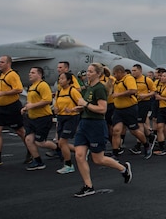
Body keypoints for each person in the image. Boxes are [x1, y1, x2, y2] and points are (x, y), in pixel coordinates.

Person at [73, 63, 132, 198]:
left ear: (98, 74)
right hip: (84, 124)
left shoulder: (100, 89)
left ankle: (123, 169)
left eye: (91, 72)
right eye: (87, 71)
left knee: (98, 159)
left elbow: (102, 109)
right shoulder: (88, 88)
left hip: (96, 125)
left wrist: (85, 104)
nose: (88, 74)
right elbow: (88, 105)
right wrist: (79, 108)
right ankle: (88, 186)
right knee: (79, 155)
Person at [0, 55, 27, 167]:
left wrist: (1, 94)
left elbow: (19, 89)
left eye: (2, 62)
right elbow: (1, 91)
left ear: (8, 64)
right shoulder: (2, 76)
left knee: (20, 132)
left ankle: (31, 152)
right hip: (0, 109)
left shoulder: (12, 75)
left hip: (12, 107)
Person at [111, 65, 153, 159]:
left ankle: (146, 145)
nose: (114, 75)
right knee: (116, 131)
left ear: (120, 72)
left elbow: (133, 90)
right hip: (118, 110)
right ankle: (115, 153)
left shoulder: (128, 78)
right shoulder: (115, 81)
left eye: (115, 74)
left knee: (134, 131)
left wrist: (118, 95)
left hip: (129, 108)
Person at [22, 67, 58, 170]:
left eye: (32, 73)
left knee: (40, 142)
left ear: (39, 75)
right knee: (28, 139)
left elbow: (47, 100)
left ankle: (58, 148)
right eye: (30, 72)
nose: (30, 74)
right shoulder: (31, 87)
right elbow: (30, 102)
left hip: (43, 118)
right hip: (31, 118)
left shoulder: (43, 85)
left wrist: (32, 106)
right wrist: (25, 108)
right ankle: (38, 161)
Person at [54, 71, 82, 174]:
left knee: (62, 141)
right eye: (59, 79)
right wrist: (56, 109)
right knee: (61, 143)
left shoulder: (73, 91)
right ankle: (81, 152)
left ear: (69, 80)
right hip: (61, 118)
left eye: (62, 79)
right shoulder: (59, 92)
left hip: (71, 118)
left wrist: (73, 109)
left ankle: (69, 165)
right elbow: (56, 105)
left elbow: (82, 105)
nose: (60, 81)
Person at [130, 64, 156, 153]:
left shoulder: (146, 80)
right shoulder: (131, 80)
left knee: (139, 123)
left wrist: (145, 95)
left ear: (140, 71)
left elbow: (154, 91)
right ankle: (150, 135)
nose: (133, 72)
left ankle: (138, 145)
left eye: (135, 70)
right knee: (138, 122)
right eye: (132, 70)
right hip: (134, 103)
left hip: (144, 103)